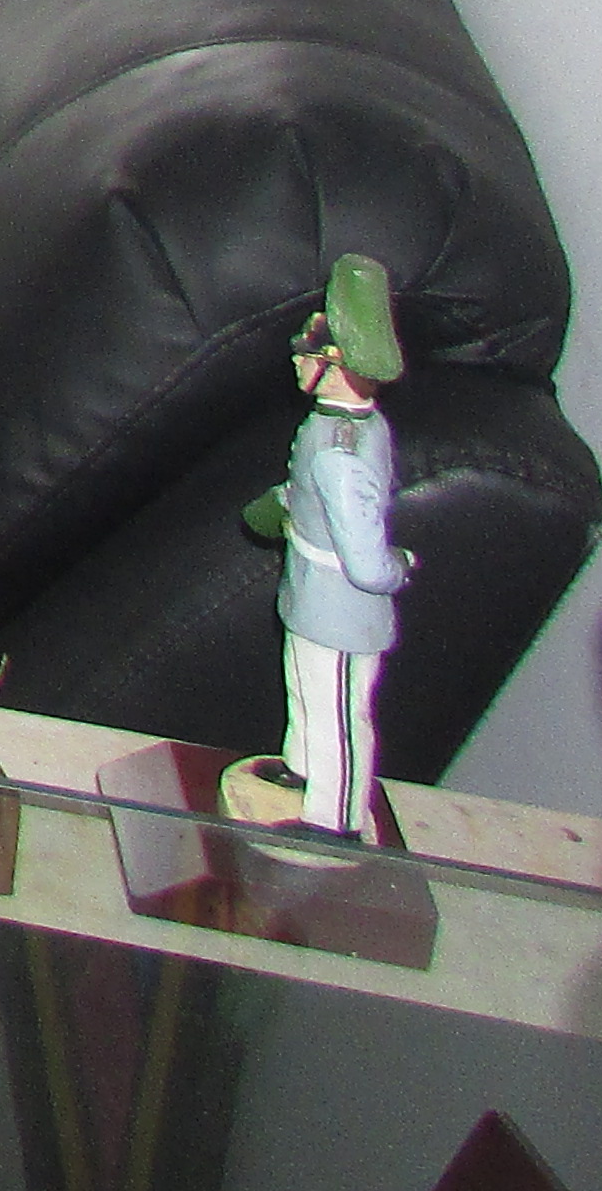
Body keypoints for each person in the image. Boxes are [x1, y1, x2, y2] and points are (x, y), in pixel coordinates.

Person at [244, 253, 411, 837]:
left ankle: (335, 819)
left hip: (339, 604)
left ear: (336, 366)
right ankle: (303, 768)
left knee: (338, 711)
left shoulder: (341, 451)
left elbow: (366, 560)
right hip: (311, 591)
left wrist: (397, 568)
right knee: (306, 687)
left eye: (309, 355)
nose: (298, 360)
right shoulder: (333, 427)